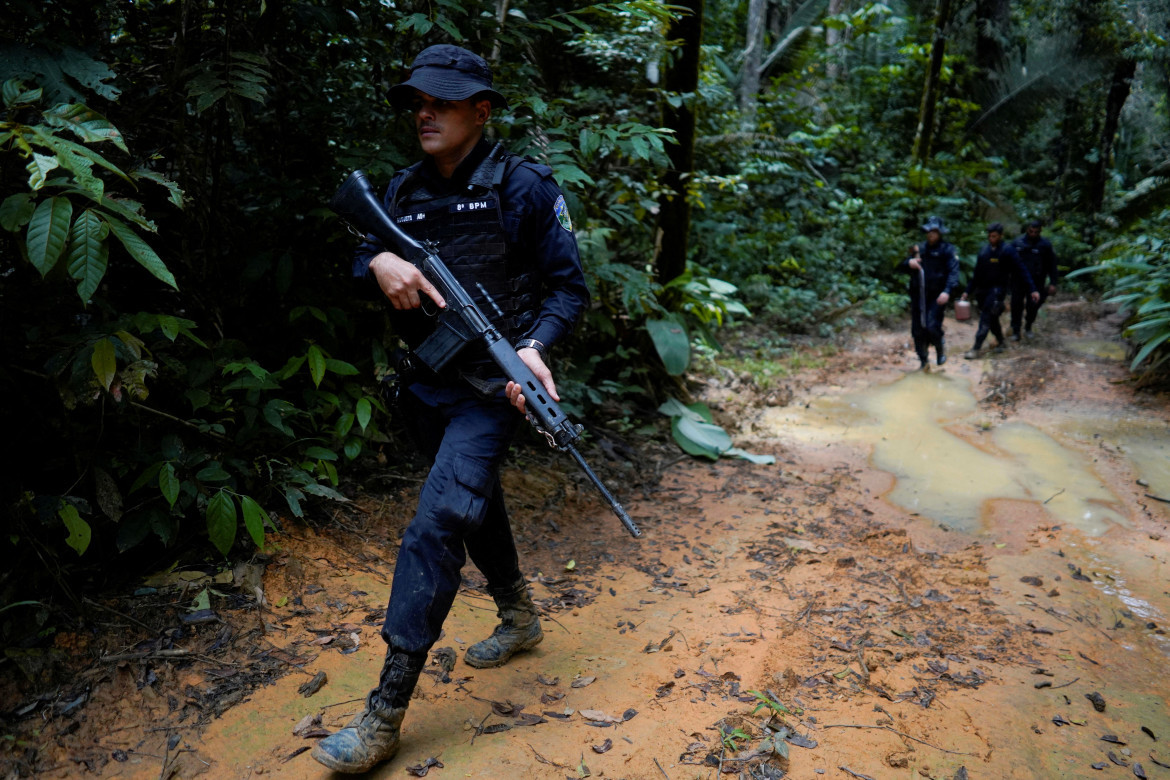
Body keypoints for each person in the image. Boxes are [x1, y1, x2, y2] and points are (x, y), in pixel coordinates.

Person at [311, 44, 590, 774]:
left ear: (481, 110)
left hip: (493, 391)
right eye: (416, 102)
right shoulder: (399, 192)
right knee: (470, 500)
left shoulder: (523, 186)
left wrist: (534, 347)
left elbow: (569, 289)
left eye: (441, 101)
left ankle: (385, 711)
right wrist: (378, 261)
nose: (424, 113)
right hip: (424, 388)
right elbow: (355, 254)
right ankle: (520, 614)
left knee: (437, 522)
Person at [961, 223, 1039, 359]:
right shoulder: (984, 251)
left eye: (994, 236)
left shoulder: (1007, 250)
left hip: (998, 290)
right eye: (990, 236)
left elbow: (1022, 270)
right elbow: (977, 274)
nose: (991, 238)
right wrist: (967, 291)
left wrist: (1032, 289)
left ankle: (975, 348)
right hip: (983, 290)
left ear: (1001, 236)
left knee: (986, 317)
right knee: (992, 318)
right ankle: (1001, 342)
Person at [898, 216, 960, 368]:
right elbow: (901, 266)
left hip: (937, 296)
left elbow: (953, 273)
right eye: (929, 231)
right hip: (919, 296)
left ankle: (940, 351)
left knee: (932, 325)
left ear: (940, 233)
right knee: (918, 330)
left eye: (935, 232)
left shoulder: (948, 250)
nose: (931, 234)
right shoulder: (919, 249)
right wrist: (909, 263)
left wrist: (947, 291)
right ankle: (923, 360)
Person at [1011, 219, 1059, 340]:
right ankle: (1016, 330)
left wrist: (1053, 282)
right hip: (1018, 280)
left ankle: (1028, 325)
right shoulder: (1017, 243)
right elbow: (1008, 261)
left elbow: (1052, 265)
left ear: (1040, 231)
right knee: (1016, 305)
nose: (1033, 234)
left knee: (1033, 305)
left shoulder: (1045, 245)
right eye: (1031, 231)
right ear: (1027, 229)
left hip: (1037, 281)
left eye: (1036, 232)